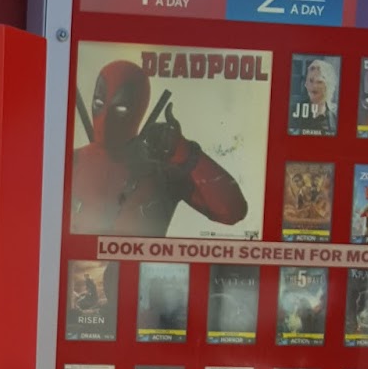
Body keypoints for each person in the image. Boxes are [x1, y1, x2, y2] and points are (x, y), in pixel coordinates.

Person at [72, 57, 248, 237]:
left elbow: (233, 212)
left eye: (121, 109)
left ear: (139, 108)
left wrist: (185, 152)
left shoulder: (162, 173)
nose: (106, 119)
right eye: (99, 104)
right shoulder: (72, 163)